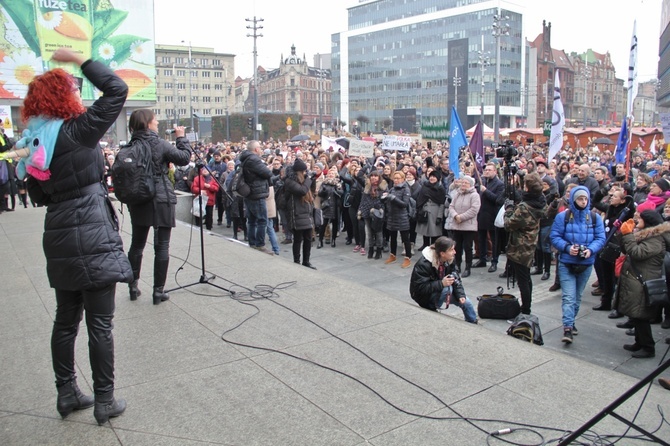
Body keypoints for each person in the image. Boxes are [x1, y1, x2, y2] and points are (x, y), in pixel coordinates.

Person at [9, 48, 131, 424]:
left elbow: (40, 195)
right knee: (100, 323)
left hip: (59, 234)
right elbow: (117, 90)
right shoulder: (78, 132)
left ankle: (67, 393)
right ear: (65, 97)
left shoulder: (36, 145)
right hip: (91, 230)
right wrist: (81, 60)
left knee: (65, 321)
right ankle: (104, 400)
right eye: (74, 91)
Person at [125, 109, 191, 305]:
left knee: (137, 245)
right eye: (155, 121)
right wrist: (181, 138)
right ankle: (158, 291)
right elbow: (184, 158)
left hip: (138, 200)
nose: (157, 124)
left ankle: (133, 286)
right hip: (160, 198)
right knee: (161, 245)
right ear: (148, 124)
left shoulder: (130, 146)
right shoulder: (159, 144)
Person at [550, 186, 606, 344]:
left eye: (585, 199)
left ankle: (571, 321)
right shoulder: (563, 217)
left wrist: (590, 250)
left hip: (586, 263)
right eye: (580, 199)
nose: (583, 202)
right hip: (567, 262)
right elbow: (555, 236)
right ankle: (567, 327)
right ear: (574, 199)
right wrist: (567, 248)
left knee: (577, 297)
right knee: (568, 296)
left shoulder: (595, 218)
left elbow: (600, 239)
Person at [615, 210, 670, 358]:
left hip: (644, 281)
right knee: (636, 314)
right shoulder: (646, 235)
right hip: (636, 281)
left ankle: (648, 347)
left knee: (641, 316)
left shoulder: (656, 240)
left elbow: (636, 252)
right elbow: (626, 248)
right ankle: (639, 342)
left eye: (640, 218)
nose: (637, 220)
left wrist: (628, 235)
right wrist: (624, 233)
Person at [503, 172, 547, 315]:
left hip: (520, 246)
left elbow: (509, 224)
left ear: (527, 189)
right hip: (530, 243)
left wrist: (508, 210)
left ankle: (526, 310)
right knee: (526, 278)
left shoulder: (524, 208)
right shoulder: (540, 200)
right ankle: (526, 307)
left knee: (523, 280)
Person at [409, 236, 478, 323]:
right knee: (447, 289)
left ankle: (472, 323)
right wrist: (441, 283)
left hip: (440, 290)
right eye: (451, 250)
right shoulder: (424, 264)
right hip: (425, 296)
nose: (455, 252)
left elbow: (455, 277)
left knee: (466, 303)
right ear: (442, 253)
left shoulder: (450, 259)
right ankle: (432, 308)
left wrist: (460, 295)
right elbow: (419, 288)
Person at [239, 140, 273, 253]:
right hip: (256, 193)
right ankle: (260, 244)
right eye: (260, 147)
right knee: (262, 220)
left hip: (249, 193)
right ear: (256, 149)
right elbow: (267, 173)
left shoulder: (246, 158)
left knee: (252, 220)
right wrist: (268, 168)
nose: (261, 149)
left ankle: (252, 243)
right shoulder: (254, 159)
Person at [284, 158, 316, 269]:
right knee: (298, 239)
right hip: (296, 213)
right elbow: (302, 191)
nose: (306, 173)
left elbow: (311, 192)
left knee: (308, 239)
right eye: (304, 171)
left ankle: (306, 261)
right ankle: (296, 261)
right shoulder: (289, 181)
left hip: (306, 213)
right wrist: (309, 179)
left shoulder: (305, 181)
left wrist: (313, 179)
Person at [447, 175, 481, 277]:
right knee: (456, 246)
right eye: (462, 182)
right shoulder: (458, 193)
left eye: (466, 183)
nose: (463, 184)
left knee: (468, 247)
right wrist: (455, 215)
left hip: (468, 226)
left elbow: (474, 210)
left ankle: (468, 267)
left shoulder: (474, 195)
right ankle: (456, 266)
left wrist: (461, 217)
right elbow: (451, 206)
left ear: (470, 184)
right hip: (456, 225)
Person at [474, 162, 505, 272]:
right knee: (481, 238)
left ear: (495, 172)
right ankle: (482, 258)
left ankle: (494, 261)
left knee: (494, 240)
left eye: (489, 170)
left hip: (492, 215)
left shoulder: (500, 184)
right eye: (486, 170)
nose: (486, 172)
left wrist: (485, 191)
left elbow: (498, 200)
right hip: (482, 215)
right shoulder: (483, 182)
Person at [382, 170, 413, 268]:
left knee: (405, 239)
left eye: (398, 178)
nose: (396, 180)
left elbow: (404, 204)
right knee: (393, 237)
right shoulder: (392, 189)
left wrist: (392, 198)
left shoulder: (406, 189)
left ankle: (408, 258)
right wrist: (384, 198)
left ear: (403, 179)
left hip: (402, 217)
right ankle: (393, 255)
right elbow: (388, 201)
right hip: (392, 216)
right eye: (395, 178)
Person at [415, 169, 446, 252]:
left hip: (435, 212)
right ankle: (425, 244)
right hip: (425, 210)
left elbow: (442, 203)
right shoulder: (425, 186)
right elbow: (420, 198)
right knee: (425, 230)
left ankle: (434, 246)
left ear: (438, 178)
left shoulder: (440, 189)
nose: (432, 178)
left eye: (434, 177)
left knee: (434, 231)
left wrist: (439, 216)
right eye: (431, 176)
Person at [191, 165, 220, 231]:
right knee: (198, 214)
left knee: (209, 215)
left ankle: (209, 228)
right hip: (200, 200)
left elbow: (216, 188)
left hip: (209, 201)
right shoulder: (197, 178)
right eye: (203, 170)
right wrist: (200, 191)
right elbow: (193, 188)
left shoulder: (213, 179)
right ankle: (198, 227)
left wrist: (210, 186)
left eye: (206, 170)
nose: (205, 171)